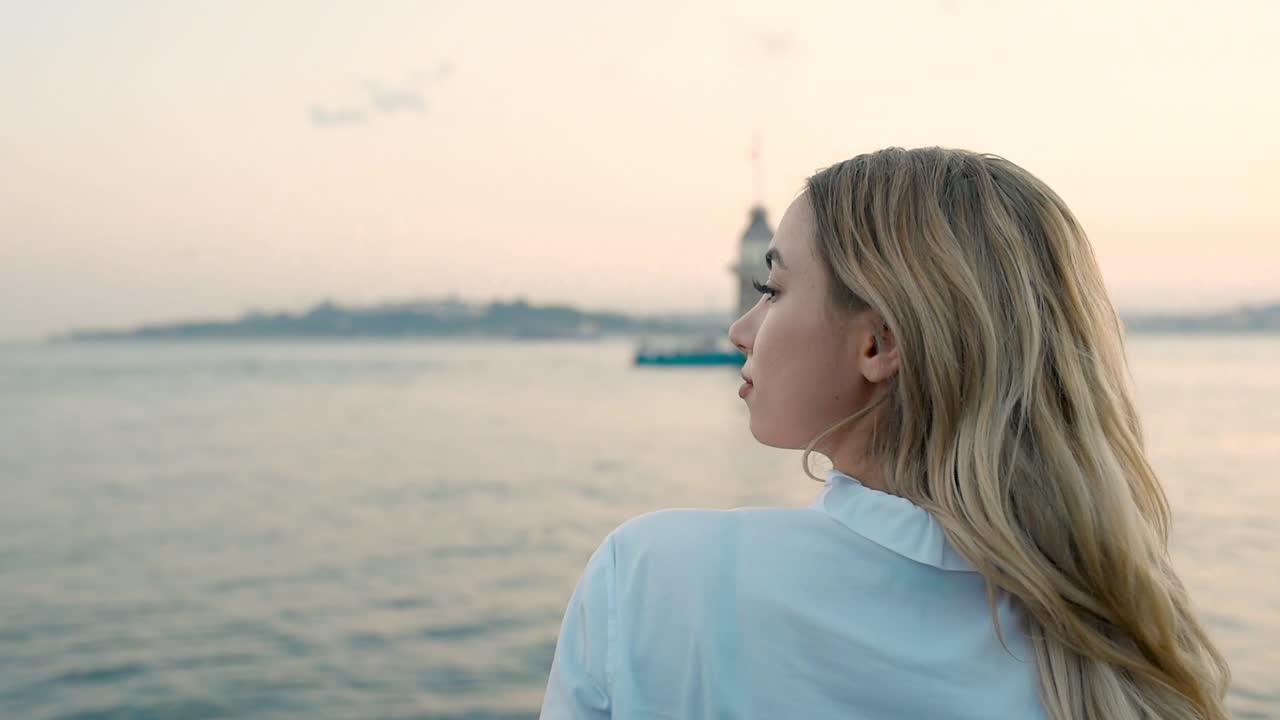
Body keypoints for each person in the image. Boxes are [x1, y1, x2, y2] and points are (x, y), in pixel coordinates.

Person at [538, 147, 1230, 719]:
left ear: (880, 343)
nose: (741, 329)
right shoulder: (1125, 652)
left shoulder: (655, 577)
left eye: (772, 290)